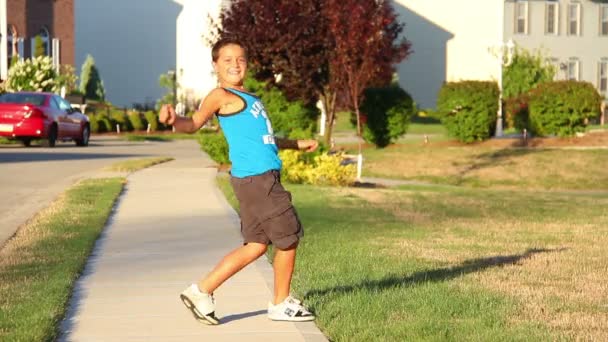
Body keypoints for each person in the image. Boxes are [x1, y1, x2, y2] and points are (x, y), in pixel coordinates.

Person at [158, 37, 318, 325]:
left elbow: (263, 139)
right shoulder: (220, 95)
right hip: (259, 181)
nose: (235, 64)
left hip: (255, 179)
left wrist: (296, 143)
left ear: (247, 63)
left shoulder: (249, 97)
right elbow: (194, 124)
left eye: (240, 59)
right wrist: (174, 121)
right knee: (288, 238)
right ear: (216, 65)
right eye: (228, 60)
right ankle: (281, 303)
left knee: (256, 245)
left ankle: (201, 291)